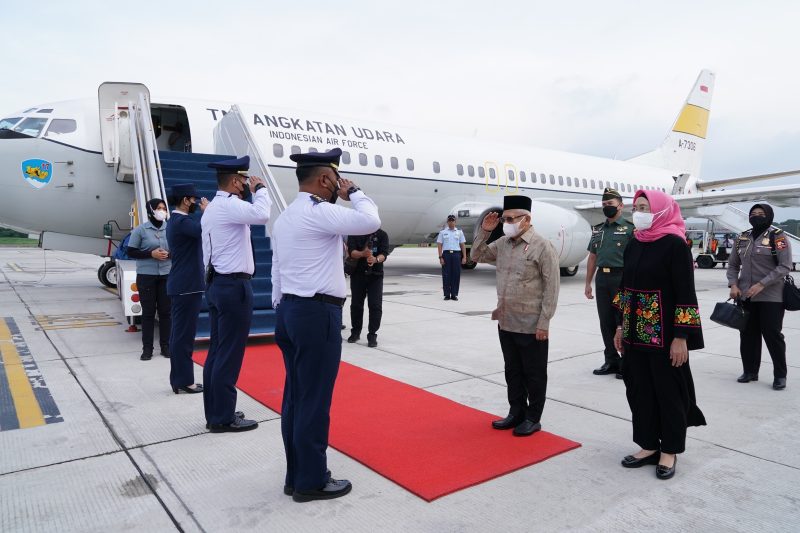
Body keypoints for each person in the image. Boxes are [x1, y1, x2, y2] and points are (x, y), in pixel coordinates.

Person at [271, 147, 380, 502]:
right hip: (317, 314)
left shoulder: (287, 216)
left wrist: (281, 305)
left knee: (296, 398)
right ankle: (311, 481)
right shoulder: (320, 211)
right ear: (324, 179)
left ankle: (296, 475)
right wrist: (356, 193)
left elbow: (276, 269)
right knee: (314, 401)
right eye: (336, 178)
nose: (339, 184)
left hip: (289, 309)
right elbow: (370, 221)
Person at [613, 190, 706, 480]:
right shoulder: (634, 243)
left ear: (662, 211)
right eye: (637, 207)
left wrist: (682, 337)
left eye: (645, 207)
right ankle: (649, 444)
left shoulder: (675, 245)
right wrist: (619, 326)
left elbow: (685, 294)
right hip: (633, 333)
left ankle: (670, 449)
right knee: (638, 389)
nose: (639, 212)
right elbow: (625, 288)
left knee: (668, 392)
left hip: (664, 336)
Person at [471, 195, 560, 437]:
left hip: (532, 325)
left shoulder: (543, 246)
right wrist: (484, 232)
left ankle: (533, 417)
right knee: (512, 371)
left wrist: (544, 322)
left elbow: (551, 288)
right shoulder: (502, 243)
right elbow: (476, 256)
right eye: (505, 219)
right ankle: (516, 412)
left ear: (527, 219)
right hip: (506, 320)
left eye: (511, 219)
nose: (507, 223)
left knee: (534, 373)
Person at [201, 156, 270, 432]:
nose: (245, 184)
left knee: (218, 352)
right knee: (228, 354)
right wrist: (261, 189)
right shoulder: (229, 206)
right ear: (233, 181)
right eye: (243, 180)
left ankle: (217, 411)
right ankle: (223, 418)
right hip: (233, 287)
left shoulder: (213, 208)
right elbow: (263, 214)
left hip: (218, 284)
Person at [726, 203, 792, 390]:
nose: (756, 216)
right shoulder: (742, 237)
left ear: (769, 216)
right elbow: (732, 266)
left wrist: (762, 284)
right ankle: (750, 371)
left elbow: (785, 266)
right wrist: (733, 284)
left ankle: (780, 375)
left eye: (761, 214)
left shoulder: (777, 236)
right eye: (753, 214)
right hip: (745, 296)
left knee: (772, 335)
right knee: (747, 335)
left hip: (771, 296)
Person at [584, 187, 633, 379]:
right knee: (605, 321)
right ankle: (611, 360)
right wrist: (588, 283)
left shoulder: (630, 229)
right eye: (604, 205)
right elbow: (592, 257)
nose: (606, 207)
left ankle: (626, 361)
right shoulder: (598, 230)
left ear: (620, 206)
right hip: (602, 279)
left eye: (610, 204)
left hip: (622, 278)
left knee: (622, 320)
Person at [166, 183, 209, 394]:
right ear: (185, 200)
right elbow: (203, 228)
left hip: (183, 285)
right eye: (194, 200)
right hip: (187, 286)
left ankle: (180, 379)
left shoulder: (176, 221)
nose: (196, 204)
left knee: (180, 335)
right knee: (183, 336)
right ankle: (184, 381)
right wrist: (207, 213)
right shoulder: (182, 221)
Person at [127, 199, 172, 361]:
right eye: (159, 208)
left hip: (166, 275)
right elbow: (131, 251)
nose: (162, 211)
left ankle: (165, 346)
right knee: (148, 313)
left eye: (164, 208)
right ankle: (147, 348)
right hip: (146, 276)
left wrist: (169, 254)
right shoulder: (141, 230)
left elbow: (179, 249)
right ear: (151, 211)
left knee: (166, 313)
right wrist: (150, 254)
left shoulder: (171, 228)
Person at [346, 228, 390, 347]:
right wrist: (363, 254)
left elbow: (384, 254)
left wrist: (376, 259)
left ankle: (372, 334)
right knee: (356, 305)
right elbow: (352, 252)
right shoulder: (355, 233)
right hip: (358, 275)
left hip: (375, 276)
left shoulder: (382, 234)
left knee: (375, 305)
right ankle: (355, 332)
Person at [437, 214, 467, 300]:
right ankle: (447, 294)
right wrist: (440, 257)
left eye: (452, 220)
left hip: (456, 255)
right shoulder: (443, 232)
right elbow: (439, 245)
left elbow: (462, 245)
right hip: (446, 254)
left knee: (456, 274)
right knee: (446, 274)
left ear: (455, 222)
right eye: (449, 220)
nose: (451, 222)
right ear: (447, 222)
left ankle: (454, 294)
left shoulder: (459, 232)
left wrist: (464, 257)